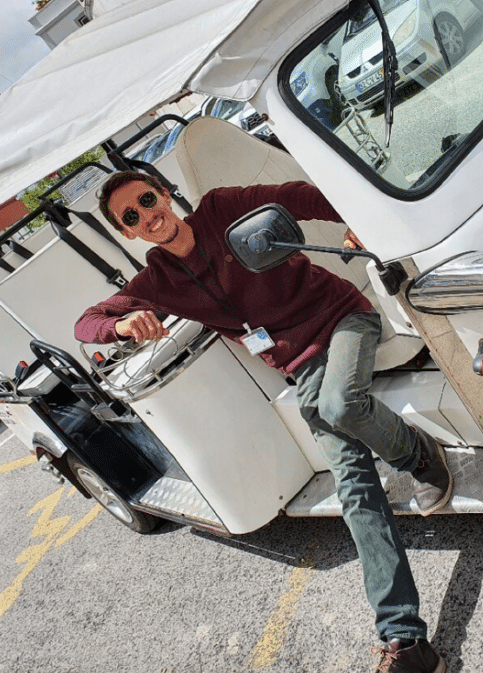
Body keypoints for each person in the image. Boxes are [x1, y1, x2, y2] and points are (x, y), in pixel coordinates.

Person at [74, 171, 451, 673]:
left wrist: (357, 221)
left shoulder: (221, 207)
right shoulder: (155, 285)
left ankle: (416, 454)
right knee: (353, 486)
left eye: (148, 199)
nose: (148, 215)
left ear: (165, 193)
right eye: (132, 217)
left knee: (339, 405)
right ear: (129, 233)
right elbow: (86, 322)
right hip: (300, 365)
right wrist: (119, 324)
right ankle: (405, 641)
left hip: (341, 319)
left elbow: (297, 195)